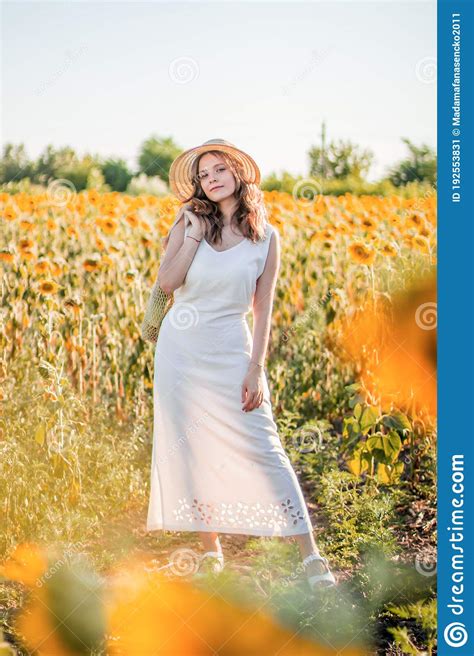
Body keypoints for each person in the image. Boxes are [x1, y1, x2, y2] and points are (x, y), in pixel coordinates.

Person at [146, 138, 336, 590]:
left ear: (238, 174)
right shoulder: (187, 224)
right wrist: (192, 234)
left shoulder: (265, 238)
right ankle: (211, 548)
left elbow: (263, 309)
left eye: (218, 171)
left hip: (232, 351)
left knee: (266, 447)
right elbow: (167, 283)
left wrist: (256, 368)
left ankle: (310, 555)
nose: (210, 180)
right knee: (192, 449)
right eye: (203, 174)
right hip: (180, 352)